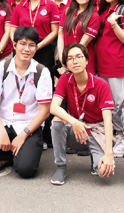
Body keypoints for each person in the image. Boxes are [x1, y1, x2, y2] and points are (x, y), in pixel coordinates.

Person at [0, 26, 53, 177]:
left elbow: (44, 111)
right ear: (15, 45)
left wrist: (23, 135)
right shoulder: (1, 68)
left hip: (29, 126)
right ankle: (6, 157)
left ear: (36, 48)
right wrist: (2, 132)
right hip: (5, 122)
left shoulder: (42, 72)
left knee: (26, 170)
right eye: (23, 43)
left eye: (31, 45)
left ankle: (20, 153)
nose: (27, 49)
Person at [49, 43, 115, 185]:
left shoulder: (101, 84)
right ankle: (60, 166)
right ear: (66, 64)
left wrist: (109, 153)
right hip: (76, 129)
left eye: (79, 57)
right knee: (57, 120)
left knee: (105, 173)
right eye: (71, 58)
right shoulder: (64, 80)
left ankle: (95, 157)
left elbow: (108, 120)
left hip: (96, 131)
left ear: (87, 60)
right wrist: (75, 122)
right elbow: (53, 107)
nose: (75, 61)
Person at [95, 0, 124, 157]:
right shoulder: (103, 9)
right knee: (110, 103)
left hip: (117, 63)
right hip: (102, 64)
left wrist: (114, 24)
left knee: (121, 102)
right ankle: (119, 134)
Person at [10, 0, 60, 70]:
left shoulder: (51, 5)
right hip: (23, 49)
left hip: (43, 48)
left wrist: (37, 46)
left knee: (43, 80)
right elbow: (12, 31)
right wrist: (17, 45)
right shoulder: (19, 7)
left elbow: (54, 32)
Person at [57, 0, 101, 75]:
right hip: (67, 61)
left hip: (83, 61)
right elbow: (60, 34)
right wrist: (62, 58)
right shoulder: (68, 12)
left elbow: (83, 44)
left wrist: (71, 60)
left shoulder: (94, 16)